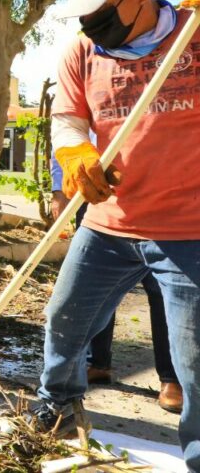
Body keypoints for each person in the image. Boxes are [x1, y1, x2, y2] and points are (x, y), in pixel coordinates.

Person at [32, 0, 200, 469]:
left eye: (100, 12)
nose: (90, 26)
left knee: (195, 360)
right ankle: (57, 408)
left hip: (188, 230)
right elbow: (68, 120)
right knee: (65, 320)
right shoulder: (82, 53)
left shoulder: (193, 33)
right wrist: (77, 152)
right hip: (108, 224)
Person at [51, 148, 182, 413]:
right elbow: (69, 131)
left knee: (160, 292)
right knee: (95, 286)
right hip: (94, 193)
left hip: (163, 199)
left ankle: (171, 378)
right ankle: (97, 362)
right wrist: (58, 189)